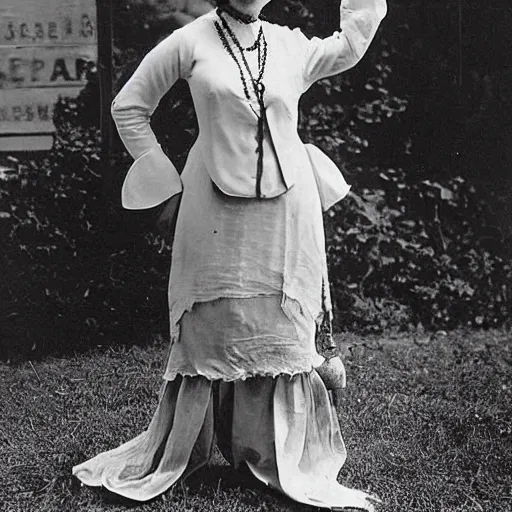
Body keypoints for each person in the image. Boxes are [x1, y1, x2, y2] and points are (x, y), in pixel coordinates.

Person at [72, 0, 387, 510]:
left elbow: (350, 45)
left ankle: (273, 452)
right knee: (211, 325)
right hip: (212, 203)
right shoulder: (192, 39)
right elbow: (129, 105)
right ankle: (191, 445)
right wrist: (161, 176)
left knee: (281, 327)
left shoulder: (289, 44)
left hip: (287, 208)